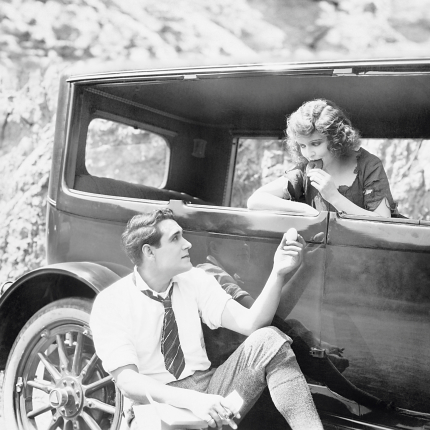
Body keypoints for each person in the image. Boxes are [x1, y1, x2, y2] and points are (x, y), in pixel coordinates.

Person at [90, 209, 324, 430]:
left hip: (210, 389)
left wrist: (278, 272)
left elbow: (251, 323)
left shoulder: (195, 279)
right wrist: (193, 401)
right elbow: (128, 381)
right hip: (155, 405)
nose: (187, 243)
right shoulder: (112, 301)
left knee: (268, 339)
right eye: (175, 238)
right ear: (149, 252)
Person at [197, 234, 395, 411]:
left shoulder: (223, 274)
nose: (246, 246)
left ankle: (324, 366)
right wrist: (305, 269)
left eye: (246, 240)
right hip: (222, 374)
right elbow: (263, 319)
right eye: (238, 240)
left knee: (290, 326)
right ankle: (346, 386)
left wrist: (307, 268)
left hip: (237, 361)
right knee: (280, 332)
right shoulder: (211, 273)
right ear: (215, 247)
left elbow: (272, 316)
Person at [247, 99, 398, 217]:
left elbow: (383, 223)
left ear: (336, 139)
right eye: (302, 145)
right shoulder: (305, 170)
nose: (308, 153)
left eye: (316, 143)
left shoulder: (369, 165)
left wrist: (334, 197)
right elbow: (255, 200)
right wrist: (305, 210)